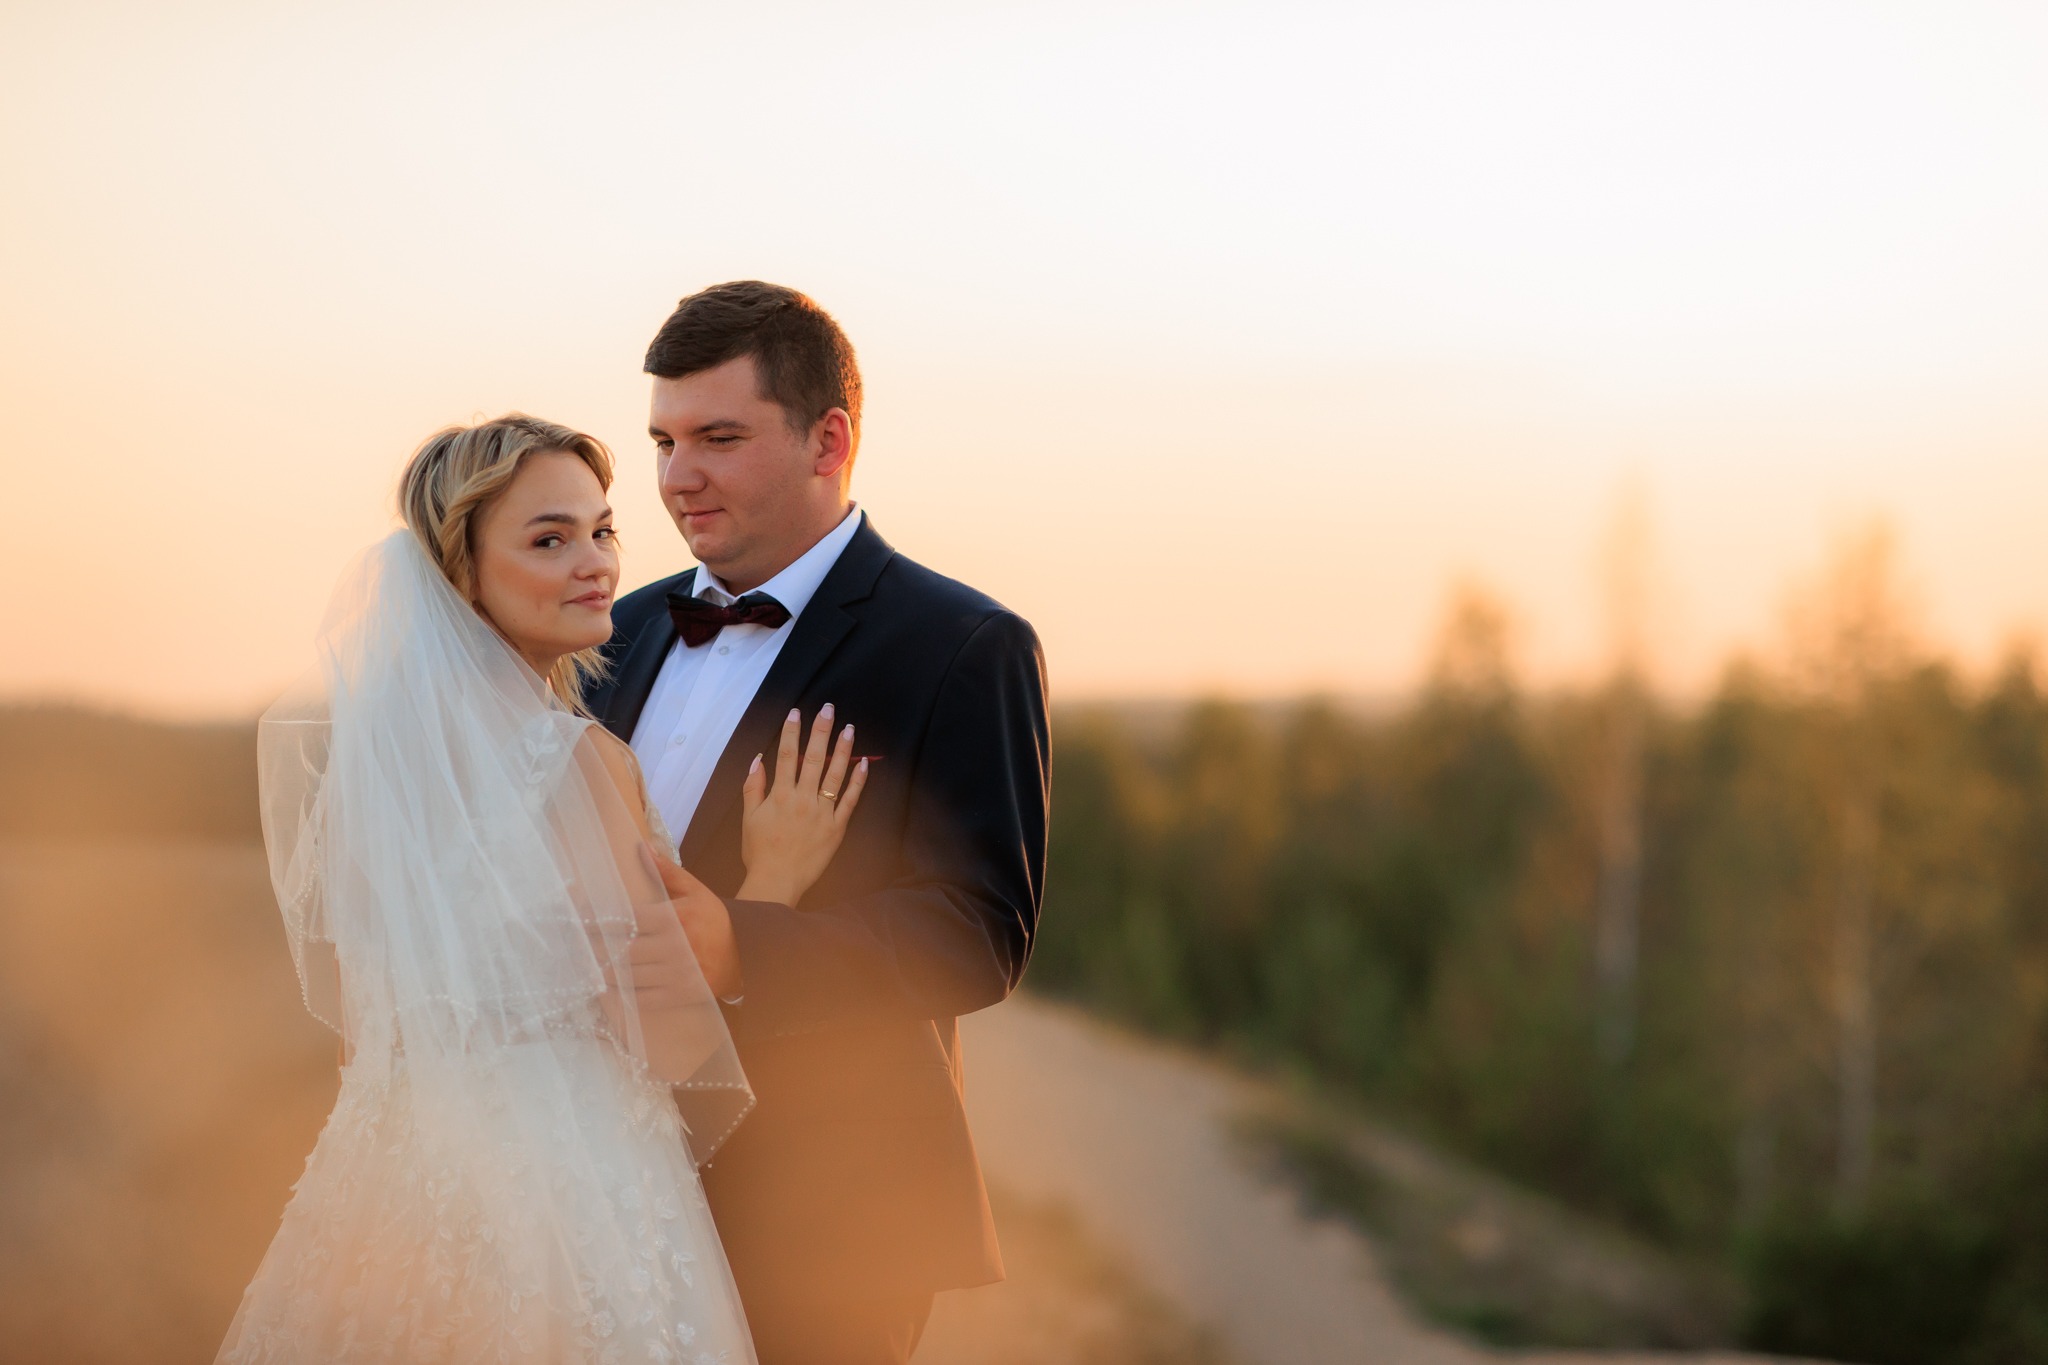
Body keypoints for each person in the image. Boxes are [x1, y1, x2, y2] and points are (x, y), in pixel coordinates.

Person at [218, 415, 862, 1364]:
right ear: (460, 570)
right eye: (549, 539)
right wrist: (776, 877)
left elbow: (371, 1029)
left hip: (394, 1180)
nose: (596, 563)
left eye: (603, 531)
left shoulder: (369, 773)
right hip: (572, 1194)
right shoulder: (577, 761)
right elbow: (671, 1027)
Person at [588, 281, 1051, 1364]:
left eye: (717, 437)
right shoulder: (621, 627)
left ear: (826, 439)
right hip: (613, 1182)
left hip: (832, 1216)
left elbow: (978, 935)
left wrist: (742, 943)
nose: (674, 478)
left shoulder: (961, 643)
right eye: (660, 441)